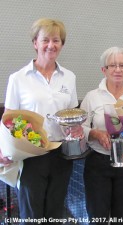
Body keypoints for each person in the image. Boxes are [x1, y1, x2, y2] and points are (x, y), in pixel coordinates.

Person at [0, 18, 83, 223]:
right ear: (35, 43)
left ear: (62, 45)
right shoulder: (18, 78)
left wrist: (76, 128)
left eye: (56, 40)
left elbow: (71, 114)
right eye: (45, 40)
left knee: (55, 212)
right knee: (31, 214)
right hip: (30, 155)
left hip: (61, 154)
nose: (51, 45)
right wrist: (3, 149)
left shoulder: (69, 77)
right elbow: (8, 119)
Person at [80, 47, 123, 225]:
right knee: (97, 219)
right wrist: (95, 133)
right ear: (104, 70)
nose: (118, 70)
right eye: (112, 65)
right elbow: (81, 128)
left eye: (122, 65)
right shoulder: (92, 97)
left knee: (122, 219)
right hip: (97, 164)